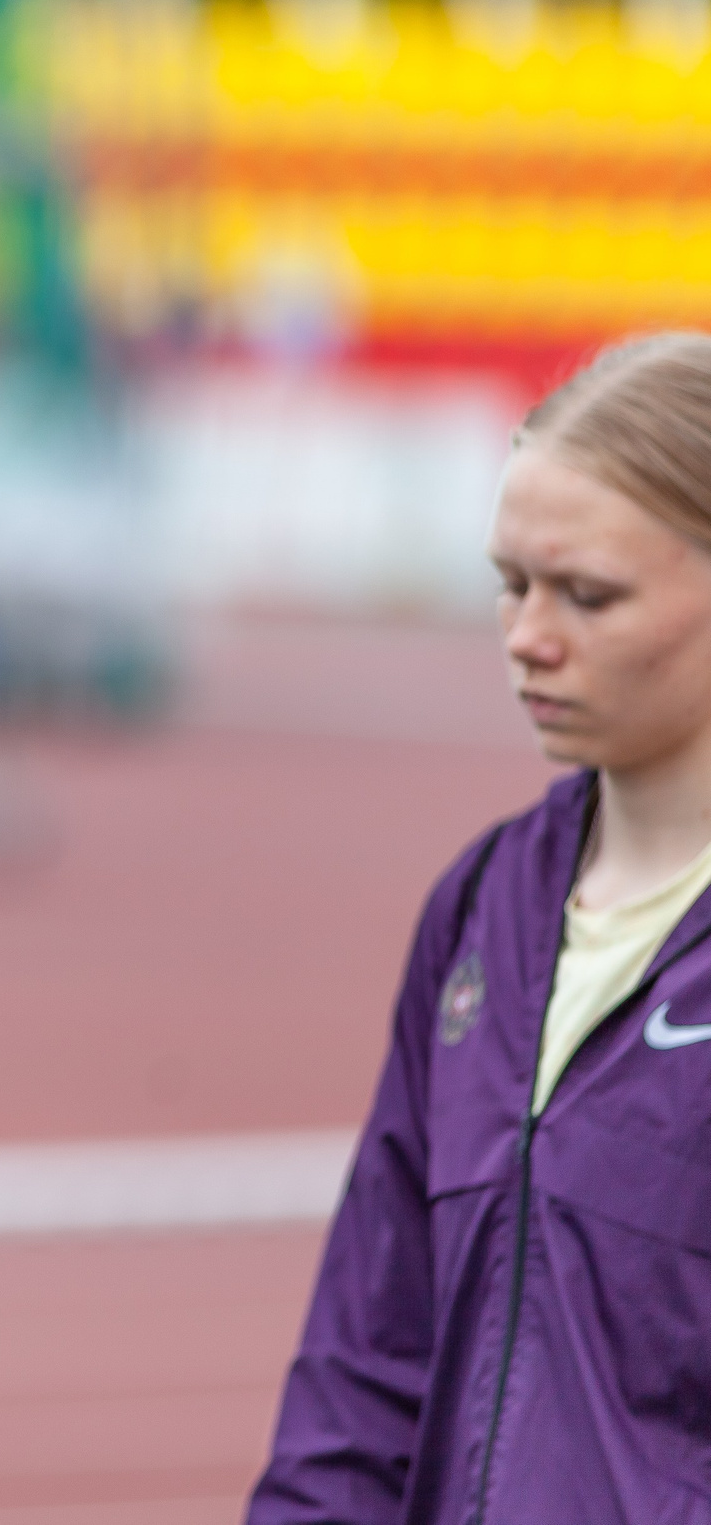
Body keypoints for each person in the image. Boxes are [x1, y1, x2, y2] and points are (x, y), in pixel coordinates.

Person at [250, 332, 711, 1522]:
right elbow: (364, 1362)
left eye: (587, 595)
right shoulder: (485, 905)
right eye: (510, 584)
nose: (526, 635)